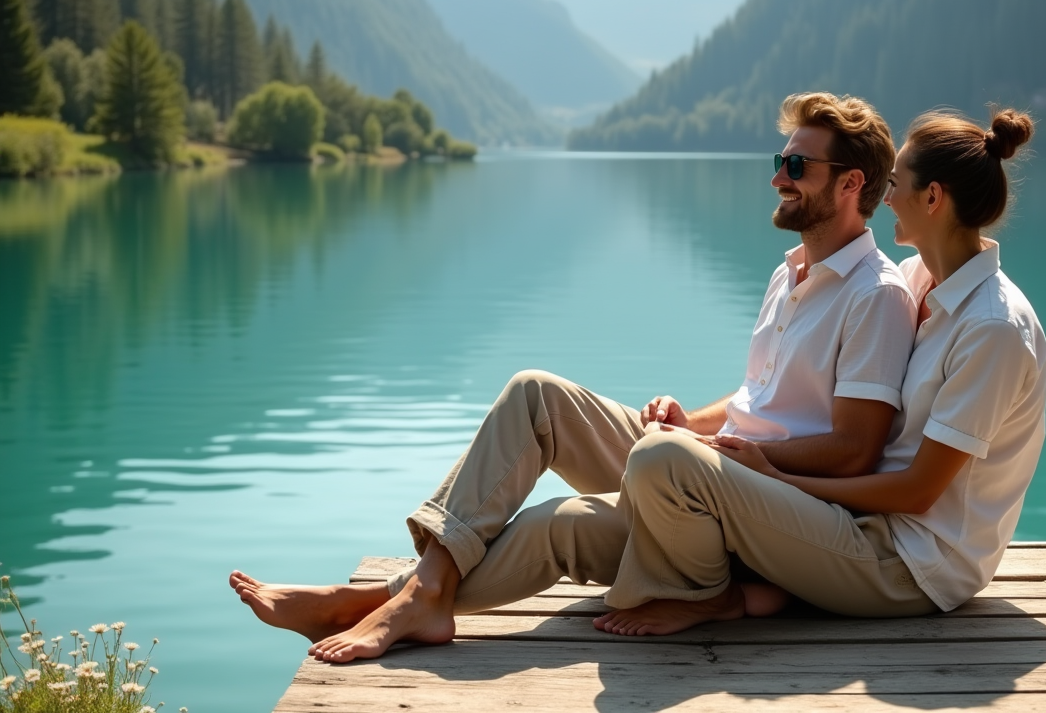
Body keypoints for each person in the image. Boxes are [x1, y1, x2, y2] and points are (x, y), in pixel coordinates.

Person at [228, 91, 918, 661]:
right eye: (779, 161)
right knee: (537, 394)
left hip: (765, 514)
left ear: (850, 184)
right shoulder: (789, 274)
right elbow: (759, 398)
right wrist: (692, 423)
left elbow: (855, 449)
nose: (777, 178)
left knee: (558, 523)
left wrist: (734, 458)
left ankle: (371, 602)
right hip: (704, 473)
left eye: (795, 165)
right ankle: (422, 593)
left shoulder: (875, 295)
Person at [593, 108, 1046, 636]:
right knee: (645, 464)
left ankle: (714, 594)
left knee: (666, 461)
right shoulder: (917, 279)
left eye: (895, 184)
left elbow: (918, 493)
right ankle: (754, 587)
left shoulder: (992, 327)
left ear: (932, 198)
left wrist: (778, 478)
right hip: (852, 523)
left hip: (912, 565)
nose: (885, 199)